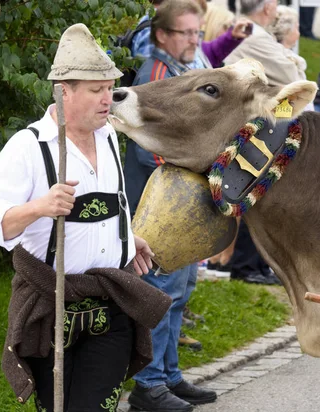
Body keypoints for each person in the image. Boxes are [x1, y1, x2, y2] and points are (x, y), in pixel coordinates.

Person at [0, 23, 171, 411]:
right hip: (52, 307)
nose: (107, 99)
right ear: (65, 92)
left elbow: (115, 202)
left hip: (111, 301)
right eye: (96, 91)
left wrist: (127, 240)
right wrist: (39, 208)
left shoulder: (108, 136)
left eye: (109, 89)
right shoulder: (29, 147)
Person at [124, 1, 218, 411]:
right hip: (159, 208)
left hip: (181, 206)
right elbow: (150, 147)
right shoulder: (156, 76)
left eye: (198, 33)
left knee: (179, 290)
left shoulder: (179, 71)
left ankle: (170, 374)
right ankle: (148, 386)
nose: (194, 41)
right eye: (186, 33)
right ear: (162, 35)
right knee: (159, 292)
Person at [223, 0, 302, 87]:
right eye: (277, 3)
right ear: (267, 8)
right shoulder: (254, 35)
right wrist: (296, 61)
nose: (277, 11)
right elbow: (292, 78)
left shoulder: (241, 27)